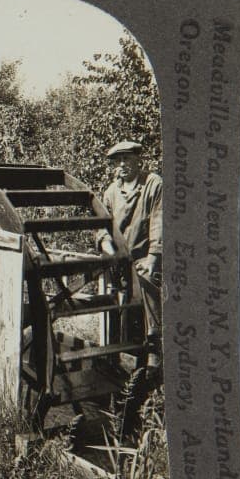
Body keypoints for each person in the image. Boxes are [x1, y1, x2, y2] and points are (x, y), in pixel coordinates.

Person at [95, 141, 162, 349]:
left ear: (138, 160)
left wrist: (153, 257)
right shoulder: (111, 192)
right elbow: (101, 226)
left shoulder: (153, 184)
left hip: (145, 257)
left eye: (127, 159)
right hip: (120, 260)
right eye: (118, 161)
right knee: (113, 299)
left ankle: (153, 347)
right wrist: (106, 245)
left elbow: (159, 221)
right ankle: (114, 351)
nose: (122, 165)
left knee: (147, 282)